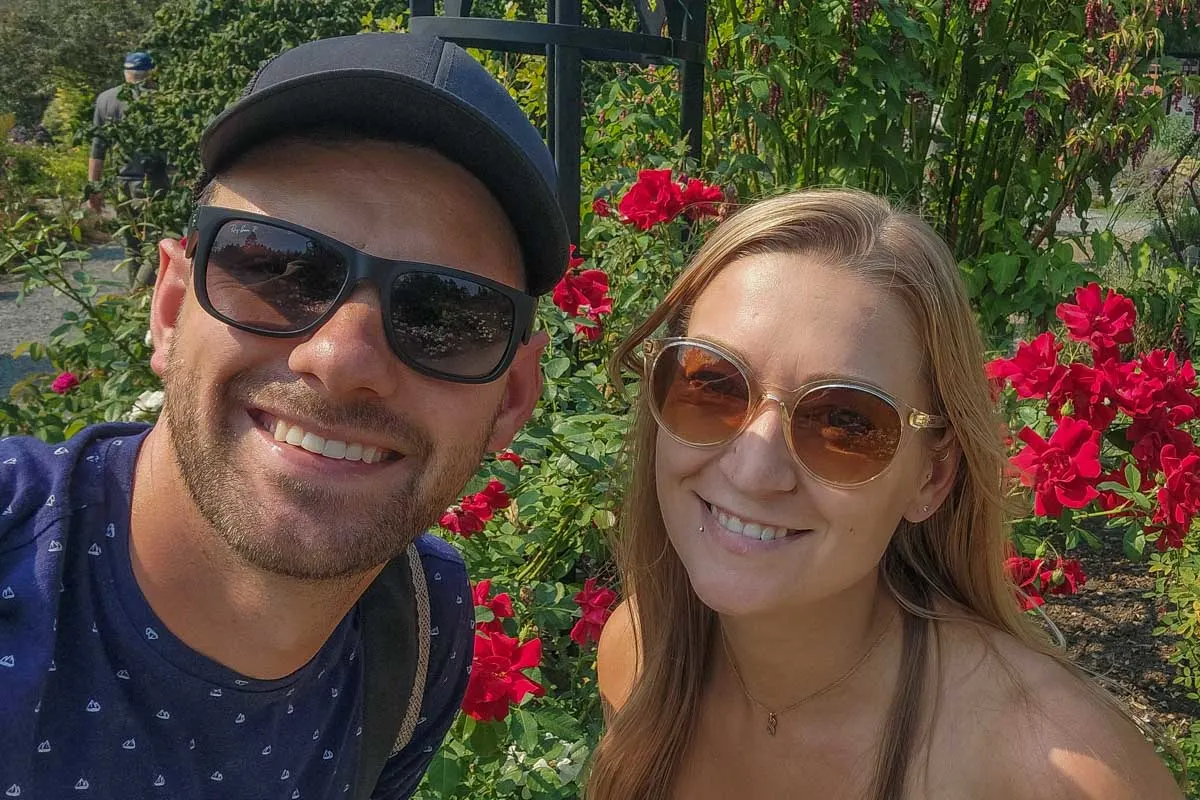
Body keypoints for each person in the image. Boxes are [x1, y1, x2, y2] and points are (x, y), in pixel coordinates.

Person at [1, 31, 569, 799]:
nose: (341, 359)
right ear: (168, 309)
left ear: (511, 402)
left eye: (445, 313)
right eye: (276, 268)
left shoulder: (419, 632)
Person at [592, 188, 1183, 799]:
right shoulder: (641, 655)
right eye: (713, 385)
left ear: (931, 476)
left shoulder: (1054, 775)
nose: (751, 468)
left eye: (845, 421)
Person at [88, 51, 172, 287]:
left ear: (126, 73)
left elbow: (98, 147)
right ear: (150, 73)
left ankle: (136, 297)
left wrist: (94, 187)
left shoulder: (106, 99)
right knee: (161, 241)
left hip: (122, 183)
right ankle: (145, 294)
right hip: (155, 183)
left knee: (132, 245)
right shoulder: (161, 98)